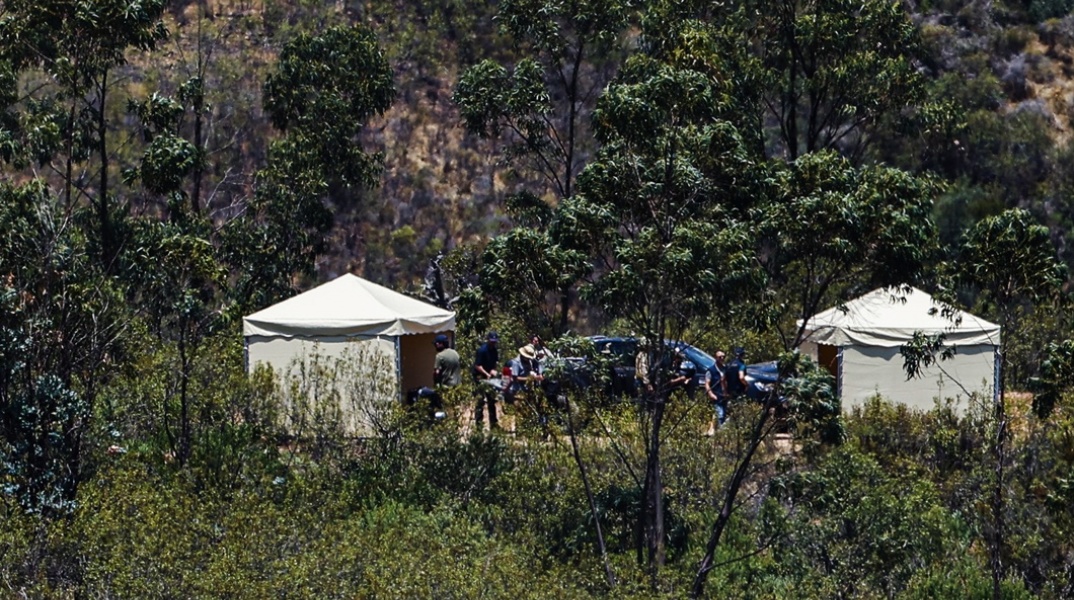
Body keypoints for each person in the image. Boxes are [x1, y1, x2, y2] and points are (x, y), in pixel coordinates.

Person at [472, 331, 501, 429]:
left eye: (494, 341)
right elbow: (477, 366)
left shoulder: (494, 351)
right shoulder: (482, 350)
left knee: (491, 400)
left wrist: (493, 371)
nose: (493, 343)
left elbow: (494, 364)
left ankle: (493, 423)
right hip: (480, 377)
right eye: (491, 341)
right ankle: (479, 424)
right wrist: (486, 374)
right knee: (480, 400)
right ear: (488, 340)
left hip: (489, 377)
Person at [705, 351, 729, 425]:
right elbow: (707, 384)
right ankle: (720, 433)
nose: (722, 358)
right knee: (720, 415)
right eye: (720, 357)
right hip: (716, 396)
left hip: (725, 396)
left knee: (725, 415)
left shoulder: (726, 369)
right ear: (716, 358)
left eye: (723, 357)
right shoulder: (711, 371)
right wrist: (711, 394)